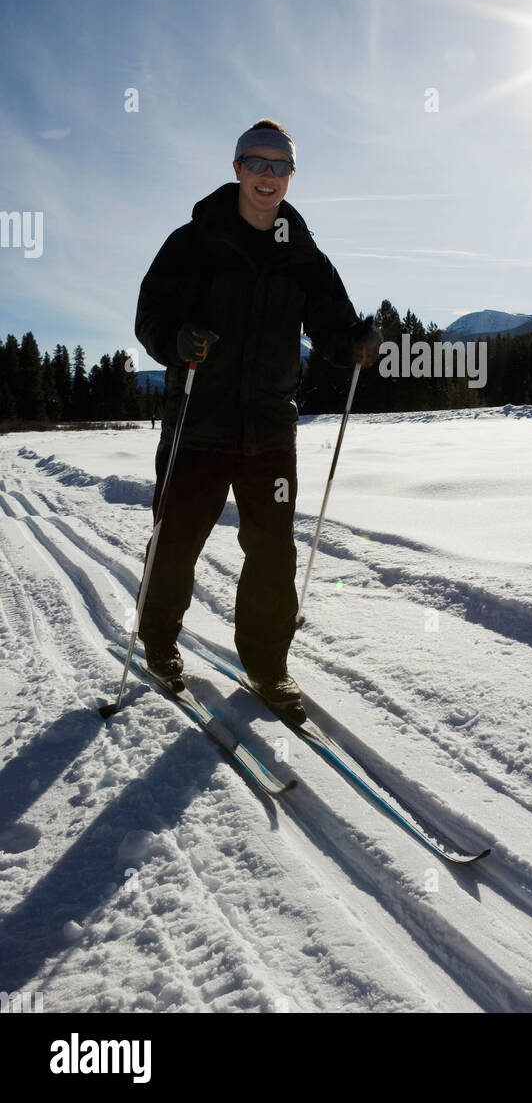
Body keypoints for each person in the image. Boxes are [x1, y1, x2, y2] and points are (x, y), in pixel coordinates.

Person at [134, 119, 381, 717]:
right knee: (176, 541)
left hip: (270, 429)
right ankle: (160, 642)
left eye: (281, 166)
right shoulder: (192, 242)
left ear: (292, 177)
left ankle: (269, 666)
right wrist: (178, 339)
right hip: (198, 423)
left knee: (272, 551)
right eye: (259, 163)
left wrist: (353, 342)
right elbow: (150, 319)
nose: (269, 177)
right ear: (238, 167)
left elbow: (330, 327)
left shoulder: (303, 256)